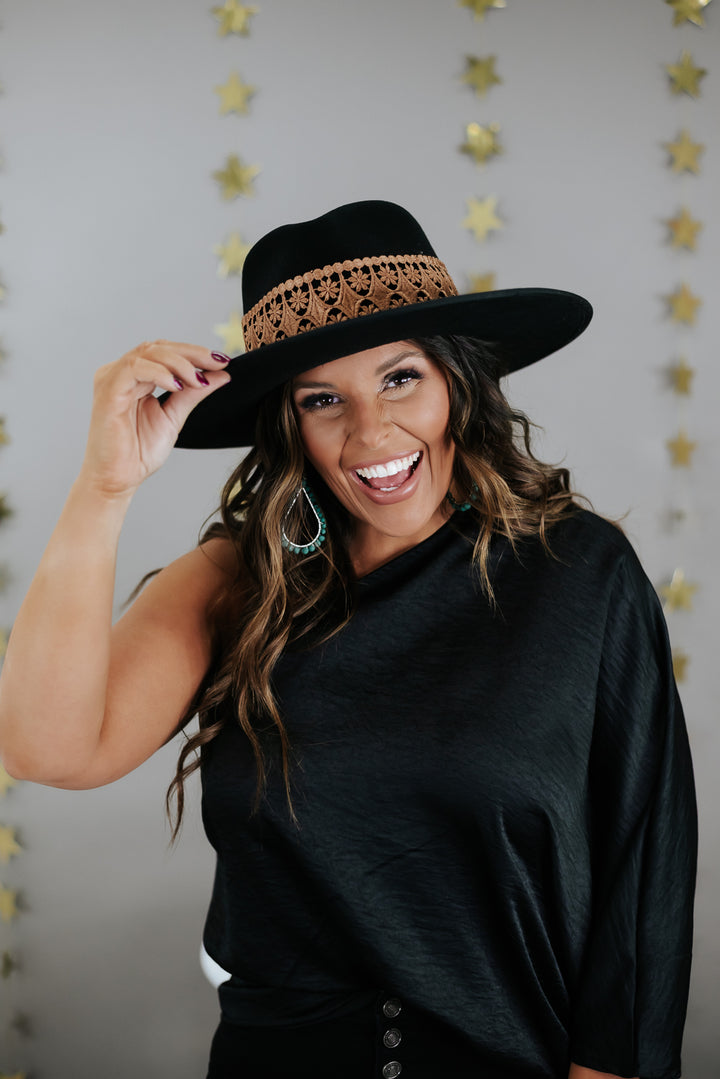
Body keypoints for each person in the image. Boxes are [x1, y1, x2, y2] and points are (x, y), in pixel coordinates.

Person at [0, 200, 697, 1079]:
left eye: (400, 378)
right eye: (322, 399)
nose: (371, 433)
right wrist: (104, 488)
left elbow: (644, 868)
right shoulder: (236, 581)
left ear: (457, 382)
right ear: (288, 424)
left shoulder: (579, 571)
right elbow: (46, 747)